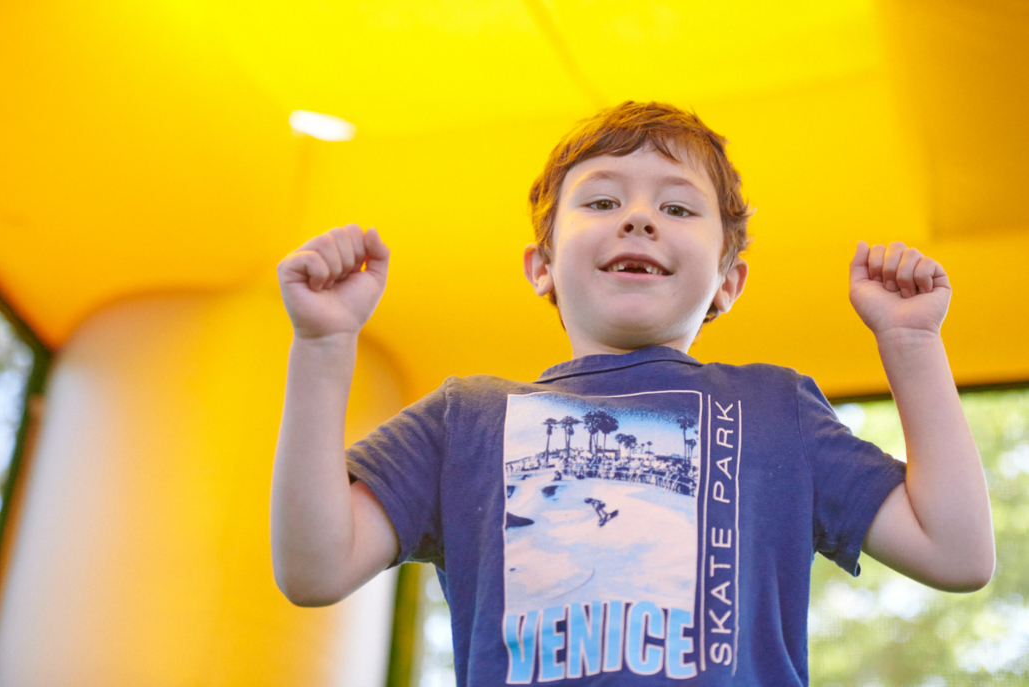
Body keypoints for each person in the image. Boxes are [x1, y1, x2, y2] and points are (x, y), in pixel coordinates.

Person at [270, 101, 995, 685]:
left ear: (728, 281)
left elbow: (957, 553)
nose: (639, 217)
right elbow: (314, 569)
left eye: (678, 209)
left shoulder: (777, 411)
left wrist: (912, 344)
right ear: (541, 265)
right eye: (602, 200)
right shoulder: (463, 420)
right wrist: (323, 346)